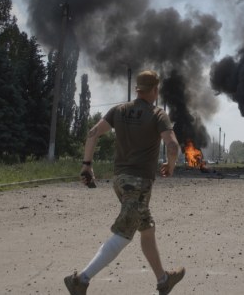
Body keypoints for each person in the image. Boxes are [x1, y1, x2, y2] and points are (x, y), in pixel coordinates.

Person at [64, 70, 186, 295]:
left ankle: (163, 280)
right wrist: (171, 165)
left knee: (147, 229)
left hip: (120, 181)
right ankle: (81, 280)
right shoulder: (158, 114)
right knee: (124, 233)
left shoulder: (119, 110)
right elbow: (172, 146)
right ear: (155, 90)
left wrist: (86, 164)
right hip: (138, 184)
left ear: (137, 89)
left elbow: (92, 133)